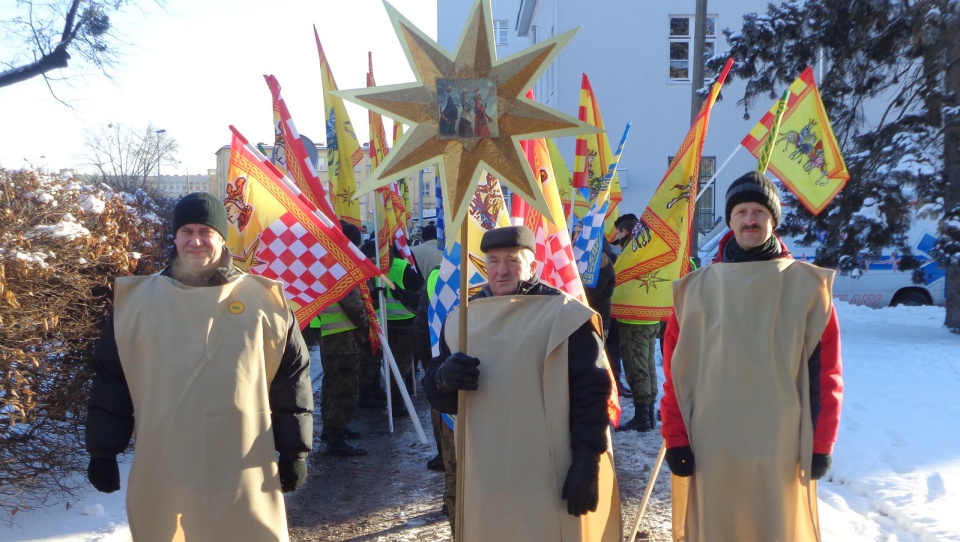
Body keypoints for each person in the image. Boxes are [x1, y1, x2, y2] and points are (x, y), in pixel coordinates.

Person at [86, 192, 312, 541]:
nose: (195, 241)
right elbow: (112, 382)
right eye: (186, 230)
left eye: (205, 231)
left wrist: (294, 450)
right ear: (174, 236)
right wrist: (103, 451)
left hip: (243, 461)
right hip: (165, 461)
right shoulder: (137, 305)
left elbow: (291, 381)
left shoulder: (265, 302)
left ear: (222, 237)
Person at [660, 171, 843, 542]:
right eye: (741, 211)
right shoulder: (695, 292)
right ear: (729, 219)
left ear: (773, 220)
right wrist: (676, 437)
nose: (749, 219)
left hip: (780, 445)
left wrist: (821, 444)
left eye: (759, 211)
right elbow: (677, 375)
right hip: (713, 445)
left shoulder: (807, 287)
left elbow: (826, 374)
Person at [424, 226, 621, 541]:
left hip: (548, 468)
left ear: (533, 266)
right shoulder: (462, 319)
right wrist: (444, 380)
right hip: (485, 470)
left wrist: (587, 460)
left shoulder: (566, 317)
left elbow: (592, 393)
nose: (501, 271)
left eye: (513, 261)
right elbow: (440, 394)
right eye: (493, 261)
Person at [309, 220, 369, 457]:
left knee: (332, 384)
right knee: (344, 387)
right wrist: (368, 326)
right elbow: (353, 304)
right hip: (344, 338)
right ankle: (336, 436)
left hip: (330, 335)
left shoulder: (325, 262)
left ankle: (333, 428)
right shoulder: (341, 264)